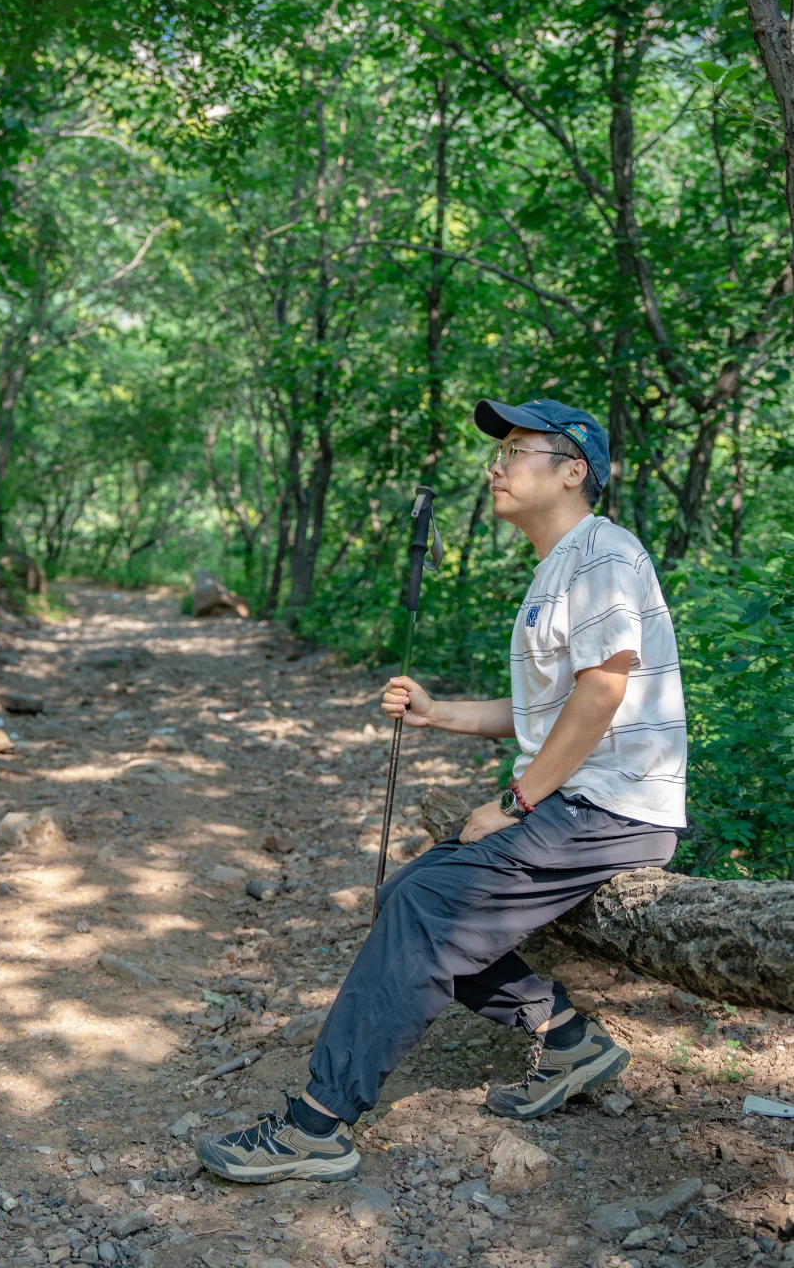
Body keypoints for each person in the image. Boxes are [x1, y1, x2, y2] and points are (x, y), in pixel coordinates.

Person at [195, 397, 687, 1184]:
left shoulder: (602, 554)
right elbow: (539, 711)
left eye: (518, 449)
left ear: (572, 472)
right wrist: (435, 714)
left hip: (612, 807)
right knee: (406, 891)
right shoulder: (560, 566)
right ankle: (568, 1041)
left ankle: (317, 1126)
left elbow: (602, 695)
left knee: (427, 907)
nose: (496, 465)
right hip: (583, 801)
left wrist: (516, 803)